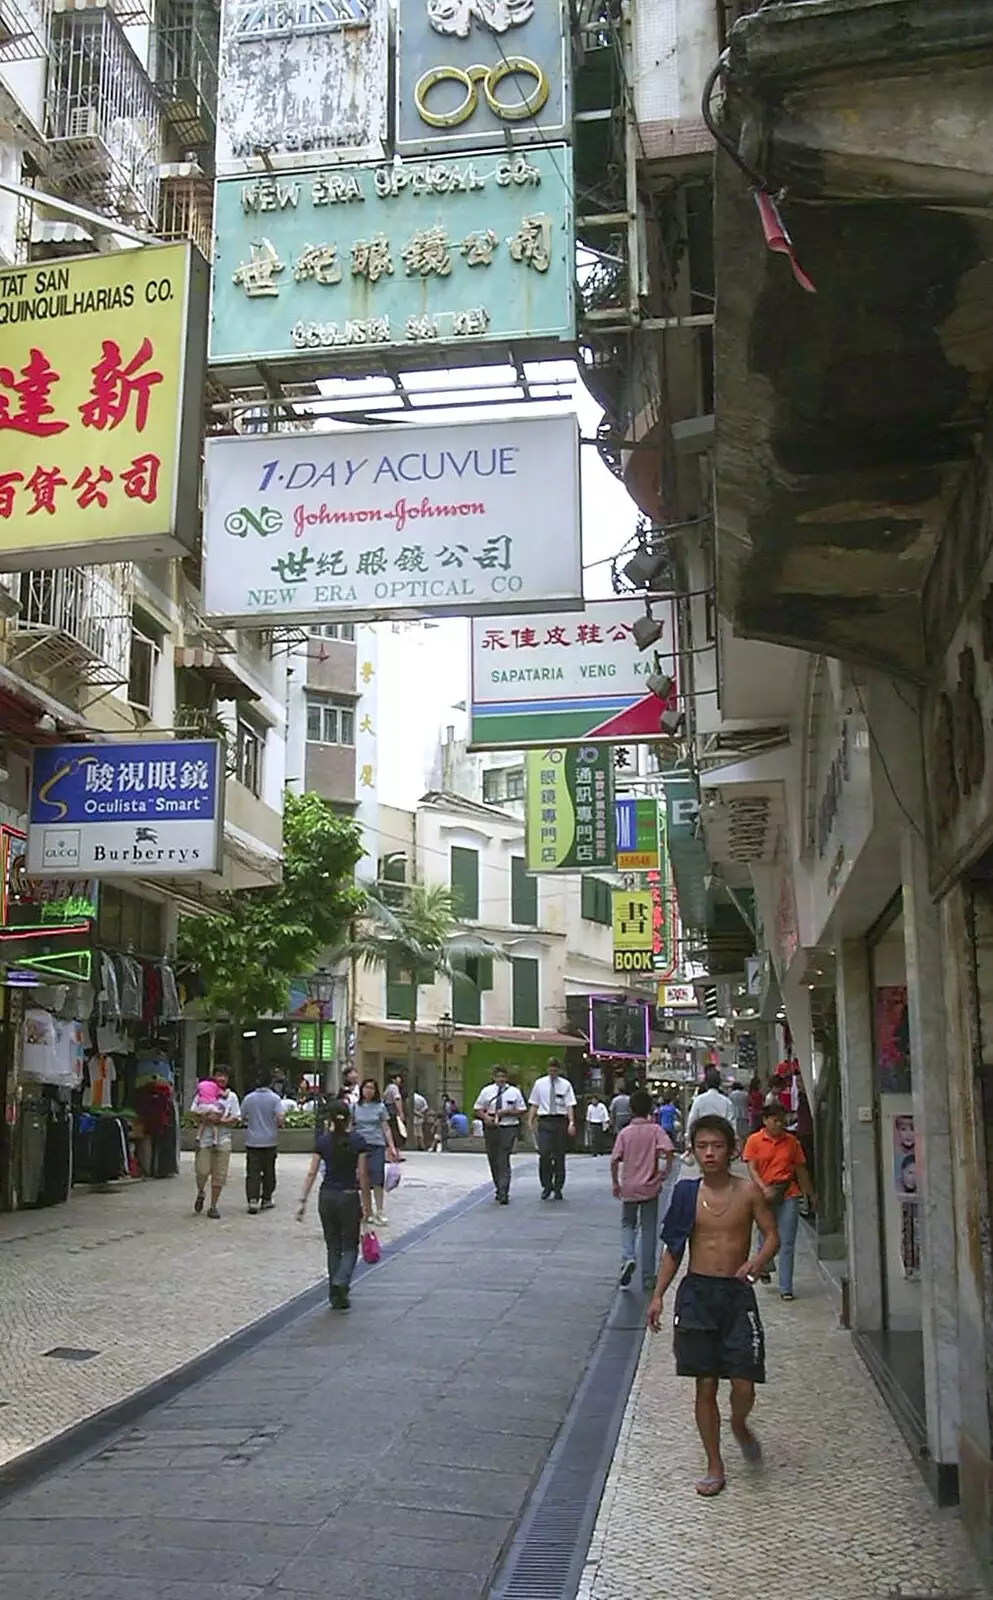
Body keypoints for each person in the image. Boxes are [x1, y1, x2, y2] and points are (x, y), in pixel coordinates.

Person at [648, 1115, 779, 1497]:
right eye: (702, 1146)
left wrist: (757, 1261)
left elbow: (772, 1235)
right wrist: (658, 1295)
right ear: (693, 1150)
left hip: (737, 1295)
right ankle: (714, 1464)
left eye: (717, 1146)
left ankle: (739, 1422)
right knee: (704, 1384)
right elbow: (674, 1249)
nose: (709, 1153)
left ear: (731, 1150)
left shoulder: (749, 1192)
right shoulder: (687, 1194)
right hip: (698, 1296)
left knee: (744, 1382)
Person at [296, 1101, 372, 1310]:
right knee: (349, 1245)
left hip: (327, 1195)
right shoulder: (358, 1141)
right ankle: (341, 1281)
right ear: (350, 1119)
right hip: (349, 1196)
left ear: (329, 1119)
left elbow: (312, 1172)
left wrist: (303, 1200)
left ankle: (335, 1292)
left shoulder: (323, 1142)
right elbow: (363, 1175)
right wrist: (367, 1205)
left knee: (333, 1246)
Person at [743, 1100, 815, 1300]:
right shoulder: (755, 1141)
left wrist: (809, 1192)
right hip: (764, 1193)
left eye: (783, 1121)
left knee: (787, 1241)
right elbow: (752, 1168)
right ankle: (764, 1264)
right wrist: (763, 1188)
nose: (780, 1125)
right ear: (765, 1121)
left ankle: (786, 1287)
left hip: (788, 1192)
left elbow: (800, 1169)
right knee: (767, 1234)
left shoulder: (792, 1143)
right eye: (775, 1121)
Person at [612, 1088, 674, 1290]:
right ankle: (648, 1276)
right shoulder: (655, 1130)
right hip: (650, 1187)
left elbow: (614, 1159)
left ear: (631, 1109)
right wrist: (664, 1173)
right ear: (650, 1109)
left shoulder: (625, 1133)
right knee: (649, 1230)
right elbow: (669, 1149)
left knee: (628, 1224)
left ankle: (628, 1257)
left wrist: (616, 1182)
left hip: (629, 1186)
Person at [190, 1066, 240, 1219]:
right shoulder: (202, 1093)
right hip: (204, 1140)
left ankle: (213, 1206)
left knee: (220, 1175)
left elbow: (236, 1117)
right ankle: (201, 1192)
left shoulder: (231, 1097)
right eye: (219, 1075)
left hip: (223, 1140)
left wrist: (222, 1121)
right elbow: (193, 1112)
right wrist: (205, 1118)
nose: (222, 1079)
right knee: (202, 1171)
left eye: (225, 1076)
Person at [475, 1066, 527, 1203]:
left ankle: (504, 1191)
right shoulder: (486, 1091)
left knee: (503, 1158)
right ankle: (498, 1187)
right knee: (493, 1158)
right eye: (498, 1077)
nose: (501, 1079)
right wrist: (486, 1118)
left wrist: (508, 1112)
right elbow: (478, 1108)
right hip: (491, 1127)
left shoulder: (514, 1092)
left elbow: (522, 1109)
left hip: (508, 1127)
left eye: (503, 1077)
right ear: (494, 1077)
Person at [528, 1057, 577, 1200]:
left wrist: (571, 1122)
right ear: (547, 1069)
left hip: (560, 1121)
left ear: (559, 1070)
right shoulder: (540, 1084)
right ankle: (546, 1185)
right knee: (544, 1154)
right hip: (544, 1120)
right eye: (550, 1070)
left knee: (559, 1155)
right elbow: (534, 1104)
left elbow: (569, 1105)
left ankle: (558, 1187)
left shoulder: (565, 1085)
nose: (553, 1072)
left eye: (555, 1070)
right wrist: (530, 1121)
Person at [353, 1078, 399, 1225]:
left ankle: (380, 1210)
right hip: (360, 1146)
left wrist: (391, 1146)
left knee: (378, 1177)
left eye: (372, 1088)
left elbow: (386, 1128)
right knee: (363, 1179)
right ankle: (368, 1211)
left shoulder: (380, 1107)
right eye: (366, 1087)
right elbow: (350, 1127)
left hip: (377, 1145)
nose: (368, 1091)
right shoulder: (355, 1107)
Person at [240, 1069, 285, 1214]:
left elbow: (241, 1117)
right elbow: (280, 1118)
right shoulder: (275, 1099)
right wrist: (277, 1125)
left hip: (252, 1141)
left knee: (252, 1172)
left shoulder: (249, 1098)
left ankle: (253, 1200)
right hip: (270, 1140)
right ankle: (266, 1199)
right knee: (269, 1171)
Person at [685, 1068, 737, 1142]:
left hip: (702, 1139)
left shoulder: (699, 1100)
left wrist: (688, 1140)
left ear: (706, 1083)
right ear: (719, 1083)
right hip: (721, 1139)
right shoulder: (726, 1101)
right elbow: (732, 1124)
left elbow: (692, 1121)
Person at [383, 1072, 406, 1150]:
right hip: (392, 1111)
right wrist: (401, 1113)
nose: (400, 1080)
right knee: (395, 1132)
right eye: (398, 1078)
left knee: (391, 1132)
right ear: (394, 1079)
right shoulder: (394, 1087)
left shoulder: (388, 1087)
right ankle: (395, 1152)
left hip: (387, 1110)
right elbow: (397, 1099)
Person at [728, 1080, 749, 1149]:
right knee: (744, 1134)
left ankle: (738, 1149)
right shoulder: (745, 1094)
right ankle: (743, 1148)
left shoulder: (731, 1095)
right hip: (744, 1114)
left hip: (735, 1114)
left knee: (737, 1133)